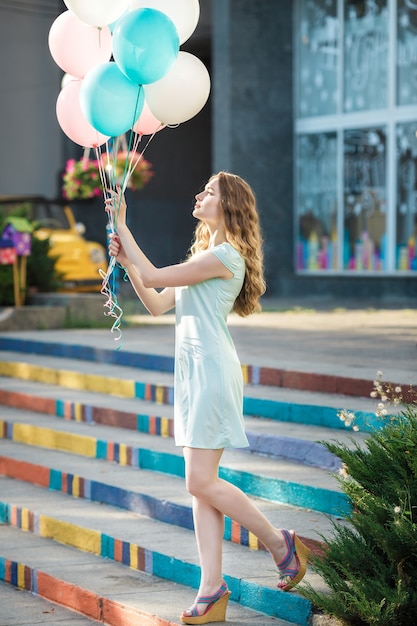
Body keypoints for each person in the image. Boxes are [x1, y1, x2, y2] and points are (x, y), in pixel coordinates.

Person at [107, 172, 310, 625]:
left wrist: (122, 225)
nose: (198, 195)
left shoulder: (224, 256)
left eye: (209, 192)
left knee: (200, 482)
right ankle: (211, 588)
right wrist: (127, 267)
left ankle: (280, 544)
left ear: (228, 205)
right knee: (200, 487)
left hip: (212, 373)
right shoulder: (203, 255)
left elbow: (157, 272)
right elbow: (158, 302)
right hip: (194, 375)